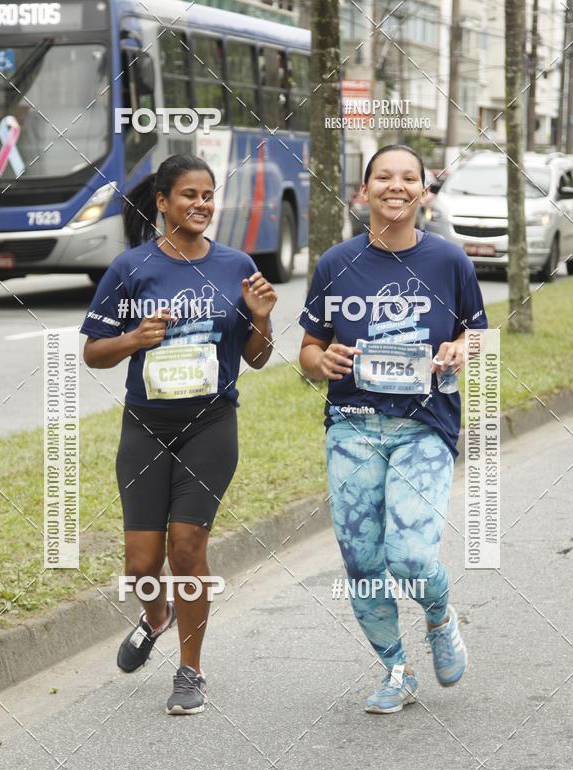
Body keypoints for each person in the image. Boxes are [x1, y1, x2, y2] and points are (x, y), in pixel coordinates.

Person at [81, 154, 276, 715]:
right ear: (163, 203)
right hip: (146, 423)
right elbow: (93, 352)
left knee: (186, 549)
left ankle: (191, 670)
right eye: (188, 195)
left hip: (211, 422)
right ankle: (157, 614)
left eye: (208, 195)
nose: (201, 205)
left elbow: (258, 359)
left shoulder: (236, 265)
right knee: (141, 564)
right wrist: (134, 339)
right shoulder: (131, 268)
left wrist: (261, 317)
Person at [299, 144, 488, 714]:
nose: (396, 187)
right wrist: (320, 362)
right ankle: (396, 671)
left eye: (410, 178)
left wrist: (460, 346)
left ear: (423, 192)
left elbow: (476, 334)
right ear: (364, 190)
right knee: (361, 561)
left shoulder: (450, 261)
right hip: (352, 426)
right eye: (384, 177)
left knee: (408, 556)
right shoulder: (336, 263)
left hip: (424, 426)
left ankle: (439, 616)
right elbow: (309, 348)